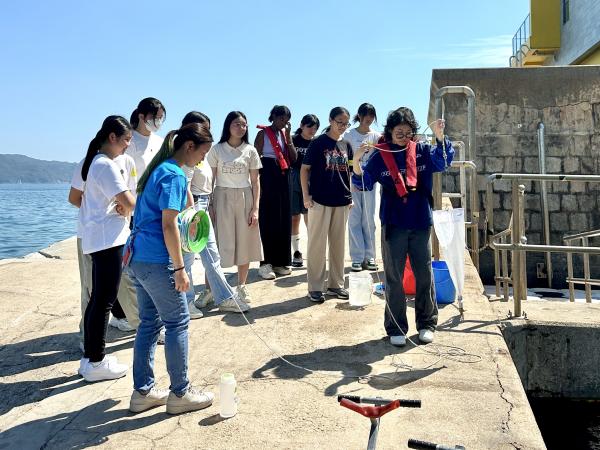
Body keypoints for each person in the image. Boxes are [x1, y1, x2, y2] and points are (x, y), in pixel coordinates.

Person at [127, 123, 215, 414]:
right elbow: (168, 225)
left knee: (149, 324)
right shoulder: (173, 174)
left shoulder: (161, 169)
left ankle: (143, 392)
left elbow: (179, 212)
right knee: (177, 322)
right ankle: (180, 393)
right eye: (202, 153)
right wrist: (180, 268)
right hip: (157, 261)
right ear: (189, 147)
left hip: (137, 258)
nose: (202, 160)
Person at [352, 107, 454, 346]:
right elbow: (363, 182)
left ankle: (427, 324)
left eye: (408, 131)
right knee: (394, 277)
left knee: (424, 274)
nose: (404, 135)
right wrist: (357, 160)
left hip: (420, 221)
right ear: (389, 131)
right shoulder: (380, 154)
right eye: (399, 131)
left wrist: (440, 137)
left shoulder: (422, 150)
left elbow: (443, 162)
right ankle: (396, 327)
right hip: (394, 223)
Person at [78, 116, 136, 382]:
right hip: (108, 240)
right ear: (112, 138)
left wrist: (124, 205)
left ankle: (91, 358)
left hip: (100, 239)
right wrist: (127, 205)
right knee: (104, 301)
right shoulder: (106, 165)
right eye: (125, 140)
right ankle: (97, 361)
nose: (127, 146)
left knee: (97, 299)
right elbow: (128, 201)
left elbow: (121, 203)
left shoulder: (96, 162)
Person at [180, 111, 250, 314]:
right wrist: (192, 215)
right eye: (203, 127)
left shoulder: (202, 152)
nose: (207, 131)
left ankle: (225, 297)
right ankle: (187, 302)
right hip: (190, 208)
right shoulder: (187, 151)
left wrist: (209, 205)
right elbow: (185, 185)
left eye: (209, 127)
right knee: (187, 259)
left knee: (211, 254)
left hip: (203, 204)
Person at [69, 152, 137, 352]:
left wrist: (126, 211)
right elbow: (74, 197)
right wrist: (98, 212)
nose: (128, 143)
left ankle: (141, 324)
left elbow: (131, 195)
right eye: (125, 138)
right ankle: (87, 338)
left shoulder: (127, 161)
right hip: (91, 235)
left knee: (128, 282)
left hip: (119, 235)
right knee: (91, 289)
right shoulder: (90, 163)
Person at [207, 111, 262, 303]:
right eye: (237, 124)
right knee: (217, 242)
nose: (241, 128)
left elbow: (255, 182)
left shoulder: (250, 150)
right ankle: (210, 289)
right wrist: (210, 204)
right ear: (228, 126)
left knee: (245, 241)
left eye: (244, 125)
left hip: (245, 196)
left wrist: (255, 208)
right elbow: (210, 180)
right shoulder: (217, 149)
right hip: (222, 197)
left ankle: (242, 286)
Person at [124, 97, 167, 338]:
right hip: (131, 210)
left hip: (155, 209)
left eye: (161, 117)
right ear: (142, 116)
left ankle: (150, 319)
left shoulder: (159, 142)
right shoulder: (128, 141)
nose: (158, 122)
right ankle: (137, 318)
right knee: (133, 268)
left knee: (152, 266)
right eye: (155, 117)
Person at [300, 107, 353, 303]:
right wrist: (306, 196)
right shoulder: (317, 143)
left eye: (346, 123)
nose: (342, 126)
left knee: (338, 246)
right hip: (319, 201)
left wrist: (351, 197)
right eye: (339, 121)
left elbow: (349, 172)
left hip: (342, 201)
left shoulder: (347, 145)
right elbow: (304, 170)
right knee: (317, 245)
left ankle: (336, 285)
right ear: (330, 120)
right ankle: (315, 287)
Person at [254, 105, 297, 279]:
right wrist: (257, 184)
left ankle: (280, 261)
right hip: (267, 174)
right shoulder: (263, 134)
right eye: (281, 119)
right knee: (268, 220)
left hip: (283, 176)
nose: (283, 123)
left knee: (282, 219)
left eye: (286, 121)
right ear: (273, 116)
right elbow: (255, 160)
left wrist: (289, 139)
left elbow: (293, 158)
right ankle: (266, 263)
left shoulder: (284, 135)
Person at [345, 103, 381, 272]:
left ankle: (370, 256)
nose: (369, 118)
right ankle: (357, 258)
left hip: (370, 181)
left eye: (372, 115)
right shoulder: (349, 135)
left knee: (369, 219)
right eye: (365, 115)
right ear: (358, 115)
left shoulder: (376, 137)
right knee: (354, 218)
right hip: (352, 179)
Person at [290, 114, 320, 268]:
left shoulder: (317, 142)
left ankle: (312, 251)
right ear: (302, 125)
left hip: (311, 180)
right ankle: (296, 252)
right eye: (309, 127)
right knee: (294, 217)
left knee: (311, 218)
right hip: (293, 178)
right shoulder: (293, 139)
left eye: (315, 128)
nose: (312, 130)